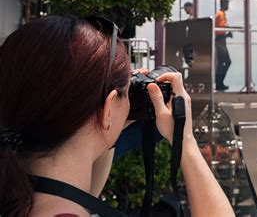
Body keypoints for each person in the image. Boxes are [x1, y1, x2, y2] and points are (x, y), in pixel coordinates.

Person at [0, 16, 234, 217]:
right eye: (125, 93)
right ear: (109, 107)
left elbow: (84, 193)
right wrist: (186, 142)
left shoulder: (18, 191)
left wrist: (109, 119)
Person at [215, 0, 232, 91]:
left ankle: (219, 83)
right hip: (220, 41)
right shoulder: (220, 14)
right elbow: (220, 28)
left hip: (221, 40)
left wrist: (227, 34)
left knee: (222, 62)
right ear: (223, 4)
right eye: (227, 4)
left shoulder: (221, 14)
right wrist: (229, 30)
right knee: (226, 62)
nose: (228, 6)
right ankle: (219, 82)